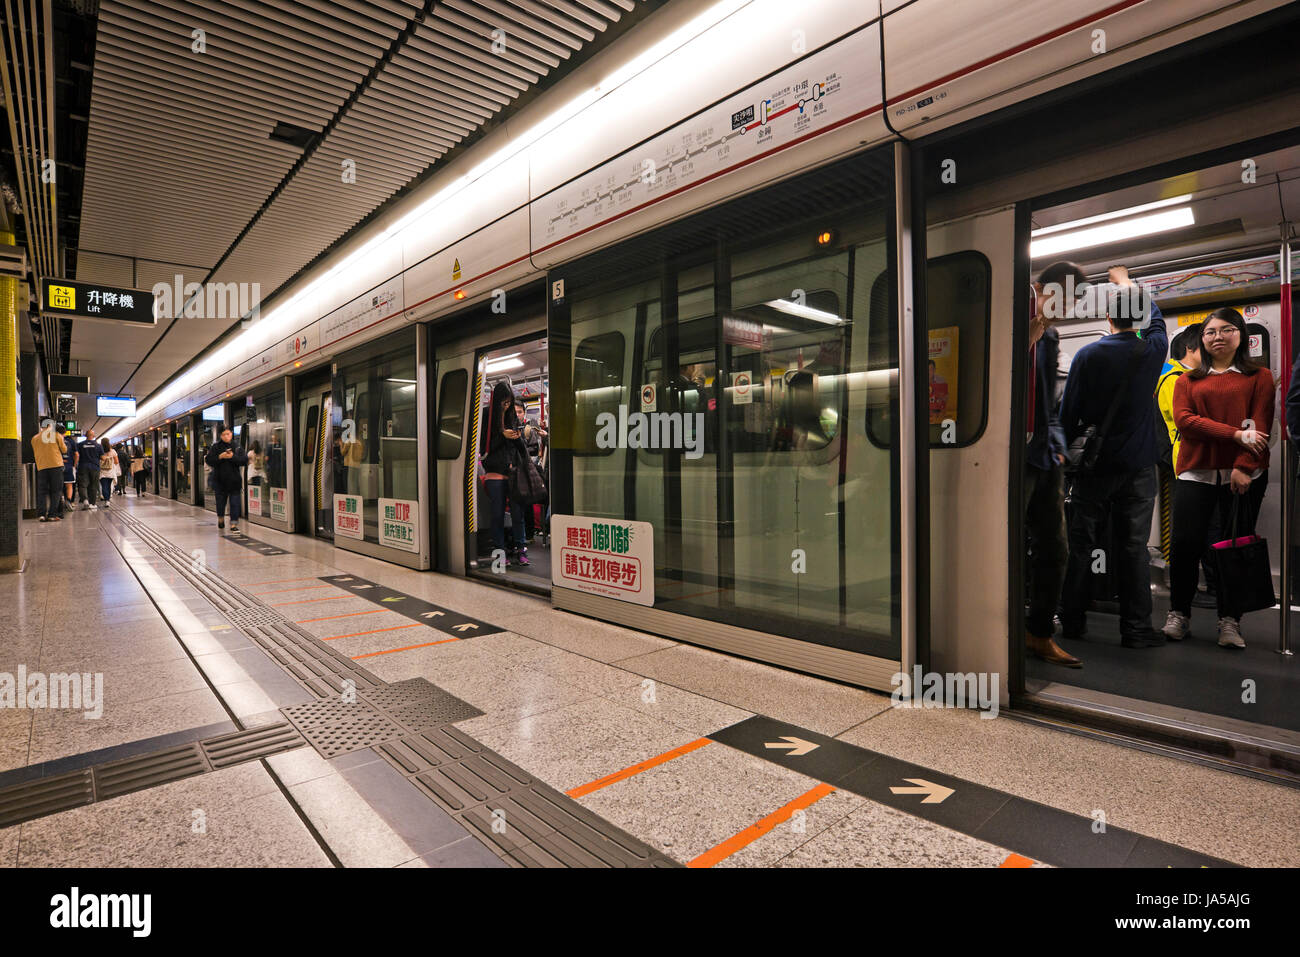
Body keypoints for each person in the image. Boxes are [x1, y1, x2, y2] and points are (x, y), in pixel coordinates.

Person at [1057, 265, 1168, 649]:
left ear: (1107, 318)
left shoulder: (1087, 356)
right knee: (1133, 548)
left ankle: (1071, 622)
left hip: (1094, 468)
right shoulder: (1153, 350)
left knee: (1081, 547)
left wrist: (1065, 455)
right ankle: (1136, 630)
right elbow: (1156, 319)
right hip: (1138, 468)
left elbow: (1068, 414)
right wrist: (1127, 284)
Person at [1163, 308, 1274, 648]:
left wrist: (1243, 464)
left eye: (1226, 330)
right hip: (1195, 472)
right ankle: (1179, 613)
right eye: (1210, 332)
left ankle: (1230, 621)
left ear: (1241, 336)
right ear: (1202, 339)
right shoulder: (1187, 380)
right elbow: (1185, 421)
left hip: (1242, 474)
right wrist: (1235, 435)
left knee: (1233, 546)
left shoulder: (1260, 377)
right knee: (1185, 545)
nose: (1217, 337)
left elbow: (1259, 426)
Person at [1023, 261, 1081, 667]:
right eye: (1063, 298)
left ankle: (1038, 632)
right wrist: (1027, 334)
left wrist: (1058, 444)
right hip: (1012, 456)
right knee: (1005, 548)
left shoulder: (1052, 335)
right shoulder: (1013, 317)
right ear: (1042, 288)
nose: (1066, 308)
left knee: (1056, 548)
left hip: (1045, 455)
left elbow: (1048, 402)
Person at [482, 382, 529, 566]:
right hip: (494, 471)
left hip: (513, 471)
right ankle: (500, 551)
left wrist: (518, 438)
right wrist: (503, 436)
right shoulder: (486, 415)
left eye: (509, 402)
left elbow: (520, 447)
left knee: (518, 514)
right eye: (504, 401)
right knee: (497, 514)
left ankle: (521, 549)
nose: (507, 405)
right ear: (497, 400)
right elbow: (484, 448)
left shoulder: (511, 417)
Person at [205, 427, 248, 532]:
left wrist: (233, 457)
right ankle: (220, 518)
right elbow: (209, 460)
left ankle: (233, 524)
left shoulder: (237, 447)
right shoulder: (216, 447)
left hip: (234, 481)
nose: (226, 436)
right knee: (220, 503)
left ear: (231, 434)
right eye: (224, 434)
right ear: (221, 436)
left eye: (228, 434)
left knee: (235, 503)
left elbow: (244, 460)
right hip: (219, 481)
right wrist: (220, 457)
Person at [31, 420, 67, 522]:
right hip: (56, 466)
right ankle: (52, 515)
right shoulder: (56, 435)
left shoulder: (34, 438)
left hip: (41, 467)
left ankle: (41, 514)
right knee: (55, 491)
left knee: (42, 491)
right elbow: (64, 450)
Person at [74, 428, 103, 510]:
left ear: (85, 436)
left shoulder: (79, 445)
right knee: (93, 485)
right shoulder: (98, 446)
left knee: (82, 485)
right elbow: (102, 457)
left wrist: (74, 465)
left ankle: (85, 500)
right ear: (93, 436)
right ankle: (92, 504)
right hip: (95, 467)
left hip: (83, 467)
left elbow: (76, 455)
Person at [98, 438, 119, 507]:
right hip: (110, 471)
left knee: (104, 486)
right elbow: (116, 462)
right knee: (109, 486)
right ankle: (108, 500)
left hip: (102, 471)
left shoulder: (100, 450)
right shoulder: (113, 451)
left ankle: (106, 500)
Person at [62, 431, 76, 514]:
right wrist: (74, 465)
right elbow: (76, 454)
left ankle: (60, 501)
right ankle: (69, 500)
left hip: (58, 465)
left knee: (58, 486)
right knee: (69, 485)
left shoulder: (54, 439)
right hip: (69, 465)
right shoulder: (71, 441)